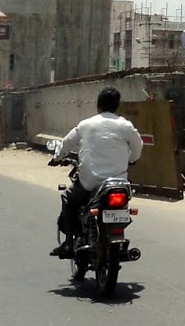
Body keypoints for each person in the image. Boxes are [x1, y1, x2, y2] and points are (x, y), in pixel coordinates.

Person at [51, 87, 142, 256]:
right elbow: (138, 147)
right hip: (119, 184)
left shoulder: (86, 124)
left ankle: (69, 243)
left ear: (98, 105)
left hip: (90, 182)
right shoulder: (126, 126)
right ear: (117, 106)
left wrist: (57, 157)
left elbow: (66, 144)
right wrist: (131, 159)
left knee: (68, 198)